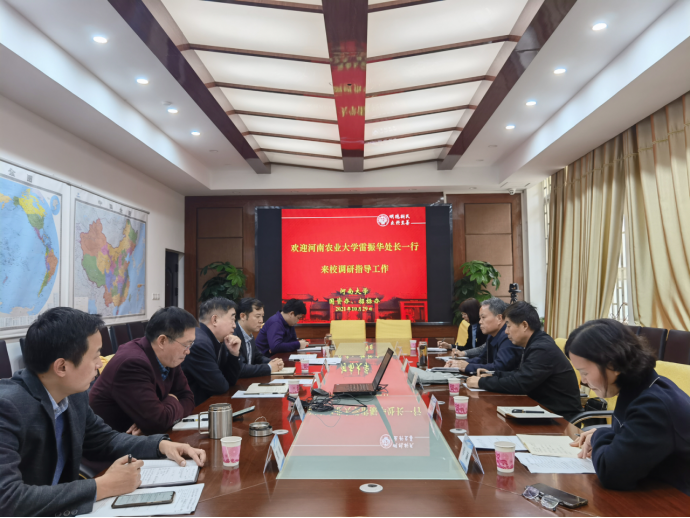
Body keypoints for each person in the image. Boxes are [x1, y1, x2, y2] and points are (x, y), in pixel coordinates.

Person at [0, 307, 205, 517]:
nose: (100, 365)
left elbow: (105, 440)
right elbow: (7, 499)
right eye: (96, 356)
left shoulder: (73, 396)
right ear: (61, 367)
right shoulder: (7, 408)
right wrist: (103, 486)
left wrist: (161, 446)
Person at [566, 319, 690, 495]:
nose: (583, 381)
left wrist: (598, 435)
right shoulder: (639, 387)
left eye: (584, 372)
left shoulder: (653, 406)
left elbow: (612, 473)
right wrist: (607, 435)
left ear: (613, 364)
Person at [466, 301, 582, 422]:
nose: (506, 331)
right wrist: (494, 374)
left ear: (524, 325)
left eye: (508, 326)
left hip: (560, 419)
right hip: (541, 410)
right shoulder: (535, 343)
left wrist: (481, 382)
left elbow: (520, 383)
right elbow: (520, 374)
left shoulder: (542, 348)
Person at [90, 307, 197, 435]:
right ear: (162, 341)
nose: (188, 351)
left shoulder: (170, 358)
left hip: (144, 437)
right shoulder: (133, 364)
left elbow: (188, 399)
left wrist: (162, 410)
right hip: (113, 440)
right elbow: (157, 422)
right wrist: (173, 398)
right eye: (186, 345)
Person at [181, 298, 243, 406]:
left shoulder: (217, 339)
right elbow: (220, 387)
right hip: (194, 409)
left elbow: (230, 381)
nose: (235, 325)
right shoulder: (200, 343)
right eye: (232, 319)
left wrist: (234, 354)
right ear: (215, 320)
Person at [444, 298, 522, 375]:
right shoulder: (491, 335)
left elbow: (499, 367)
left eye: (483, 317)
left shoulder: (508, 336)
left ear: (499, 318)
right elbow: (483, 359)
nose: (480, 322)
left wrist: (467, 366)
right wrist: (460, 363)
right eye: (480, 318)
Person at [234, 298, 284, 378]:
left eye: (262, 316)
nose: (261, 321)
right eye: (257, 316)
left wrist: (274, 362)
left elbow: (258, 357)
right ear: (243, 316)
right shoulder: (233, 336)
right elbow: (240, 369)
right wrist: (269, 367)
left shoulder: (249, 334)